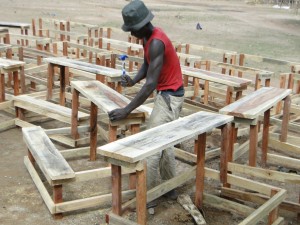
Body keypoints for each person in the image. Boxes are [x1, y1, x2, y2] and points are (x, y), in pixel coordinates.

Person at [108, 0, 184, 203]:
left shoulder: (157, 42)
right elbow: (146, 64)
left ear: (141, 25)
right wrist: (133, 80)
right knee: (165, 140)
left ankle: (146, 196)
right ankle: (170, 188)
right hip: (166, 94)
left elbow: (150, 84)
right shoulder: (148, 37)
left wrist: (126, 110)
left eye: (132, 29)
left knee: (152, 144)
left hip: (170, 97)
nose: (131, 34)